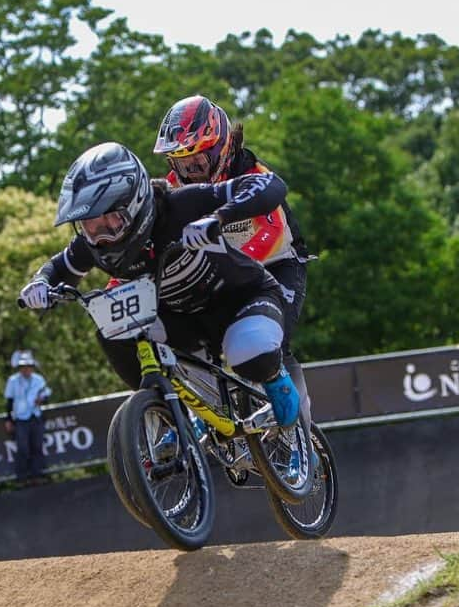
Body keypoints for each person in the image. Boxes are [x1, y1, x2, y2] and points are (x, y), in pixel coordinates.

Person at [17, 141, 304, 443]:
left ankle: (278, 386)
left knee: (250, 351)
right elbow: (58, 267)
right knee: (115, 331)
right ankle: (170, 413)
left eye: (109, 221)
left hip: (240, 300)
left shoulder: (181, 205)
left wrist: (217, 219)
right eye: (89, 225)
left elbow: (268, 184)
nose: (100, 236)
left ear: (135, 203)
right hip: (184, 324)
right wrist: (40, 284)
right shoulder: (92, 246)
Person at [152, 95, 315, 435]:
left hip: (277, 264)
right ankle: (204, 411)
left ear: (222, 148)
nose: (190, 172)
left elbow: (271, 231)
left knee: (274, 344)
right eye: (181, 164)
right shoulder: (171, 190)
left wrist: (235, 271)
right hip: (220, 276)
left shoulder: (252, 173)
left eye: (197, 161)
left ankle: (299, 432)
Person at [4, 350, 51, 480]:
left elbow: (46, 395)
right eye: (23, 367)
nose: (26, 369)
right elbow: (9, 401)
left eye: (28, 366)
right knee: (23, 448)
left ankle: (39, 475)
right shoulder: (13, 381)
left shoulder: (38, 379)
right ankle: (23, 477)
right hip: (21, 419)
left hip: (35, 417)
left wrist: (41, 400)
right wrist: (8, 419)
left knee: (37, 446)